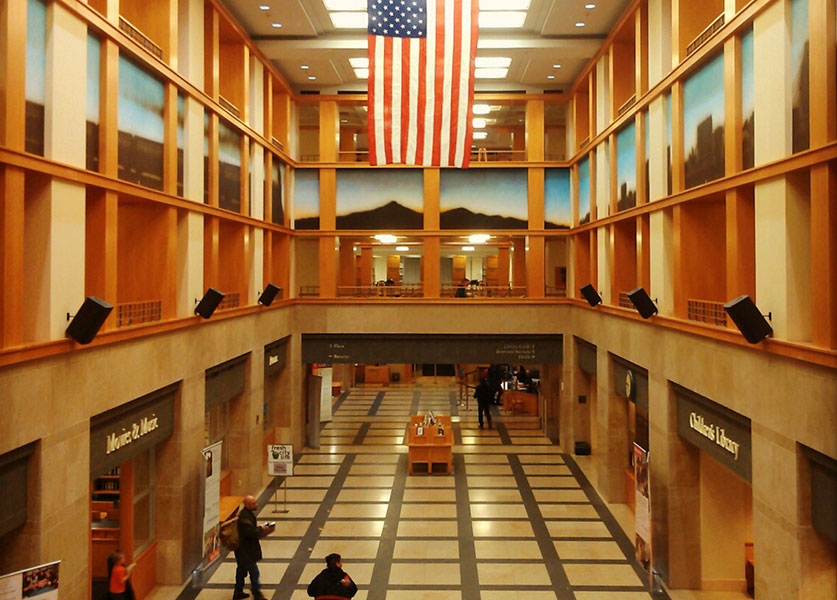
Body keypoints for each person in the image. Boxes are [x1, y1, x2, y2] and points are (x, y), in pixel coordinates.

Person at [233, 495, 275, 600]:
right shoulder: (245, 518)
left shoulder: (247, 515)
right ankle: (257, 594)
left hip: (243, 550)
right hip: (246, 551)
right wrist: (262, 530)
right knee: (254, 572)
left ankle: (238, 592)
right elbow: (251, 533)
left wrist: (260, 528)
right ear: (247, 505)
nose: (256, 504)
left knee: (241, 571)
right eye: (253, 503)